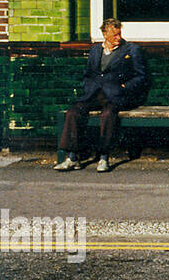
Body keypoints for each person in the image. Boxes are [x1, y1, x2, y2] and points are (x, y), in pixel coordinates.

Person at [55, 18, 151, 172]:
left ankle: (103, 157)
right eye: (114, 35)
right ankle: (72, 157)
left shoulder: (131, 50)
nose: (118, 38)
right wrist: (88, 87)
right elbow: (88, 74)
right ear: (105, 34)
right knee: (73, 112)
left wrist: (124, 86)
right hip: (94, 93)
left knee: (107, 115)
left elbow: (141, 76)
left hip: (116, 95)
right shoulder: (95, 50)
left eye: (119, 34)